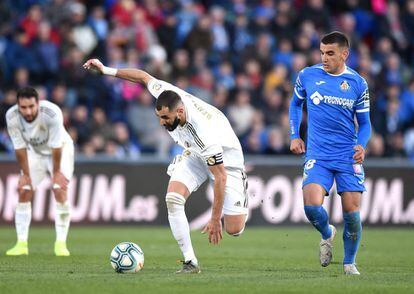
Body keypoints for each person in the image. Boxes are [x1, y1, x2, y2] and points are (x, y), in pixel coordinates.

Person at [83, 58, 248, 274]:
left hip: (227, 162)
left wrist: (215, 219)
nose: (162, 122)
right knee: (173, 199)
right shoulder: (166, 93)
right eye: (159, 117)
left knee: (234, 229)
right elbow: (143, 77)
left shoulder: (203, 133)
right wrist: (106, 70)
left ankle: (242, 190)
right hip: (195, 154)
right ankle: (191, 262)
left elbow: (221, 177)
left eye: (165, 117)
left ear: (179, 113)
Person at [289, 31, 371, 275]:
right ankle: (327, 233)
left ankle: (349, 264)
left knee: (352, 215)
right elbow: (295, 104)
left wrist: (361, 144)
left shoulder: (357, 83)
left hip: (347, 155)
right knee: (311, 207)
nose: (324, 58)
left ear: (345, 54)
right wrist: (295, 135)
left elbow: (365, 123)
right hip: (318, 154)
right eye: (322, 52)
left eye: (330, 53)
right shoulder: (307, 75)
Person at [5, 87, 74, 256]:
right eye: (23, 107)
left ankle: (60, 244)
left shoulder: (52, 113)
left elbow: (56, 145)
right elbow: (19, 147)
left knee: (59, 189)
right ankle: (21, 244)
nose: (27, 111)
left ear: (38, 103)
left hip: (61, 151)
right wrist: (26, 175)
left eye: (31, 106)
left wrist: (56, 172)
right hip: (34, 151)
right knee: (24, 190)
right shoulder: (11, 116)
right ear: (18, 106)